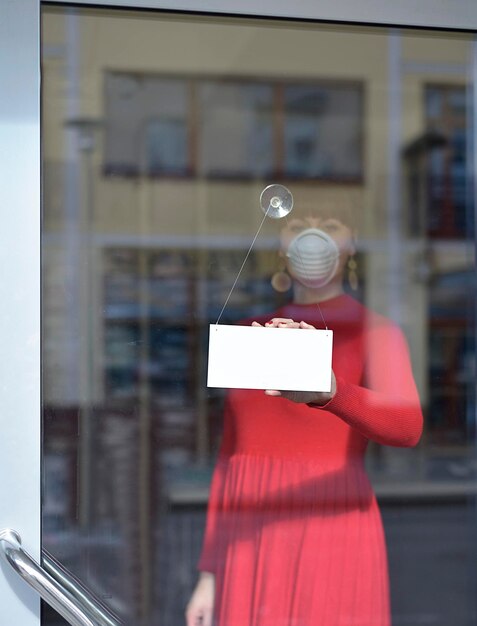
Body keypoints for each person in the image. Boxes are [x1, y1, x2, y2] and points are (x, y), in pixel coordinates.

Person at [186, 202, 423, 626]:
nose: (314, 236)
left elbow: (406, 427)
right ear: (281, 244)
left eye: (330, 225)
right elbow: (229, 459)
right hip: (249, 530)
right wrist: (210, 573)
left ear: (351, 245)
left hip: (330, 523)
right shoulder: (249, 331)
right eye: (299, 226)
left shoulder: (376, 332)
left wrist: (334, 392)